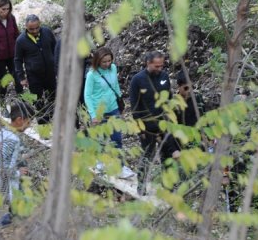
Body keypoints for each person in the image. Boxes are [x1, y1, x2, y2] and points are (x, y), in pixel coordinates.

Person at [83, 47, 135, 179]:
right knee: (101, 138)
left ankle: (120, 167)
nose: (107, 64)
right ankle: (100, 161)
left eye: (109, 61)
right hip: (99, 112)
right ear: (97, 61)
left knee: (116, 139)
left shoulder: (113, 68)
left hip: (113, 108)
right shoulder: (91, 75)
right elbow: (87, 96)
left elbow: (116, 85)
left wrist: (120, 102)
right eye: (104, 62)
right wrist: (93, 115)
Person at [129, 51, 172, 193]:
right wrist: (139, 129)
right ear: (148, 63)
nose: (159, 69)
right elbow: (134, 106)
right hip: (146, 127)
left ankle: (168, 187)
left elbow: (169, 99)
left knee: (167, 156)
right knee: (147, 156)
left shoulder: (165, 77)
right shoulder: (137, 80)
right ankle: (141, 186)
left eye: (161, 66)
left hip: (163, 124)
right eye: (156, 66)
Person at [0, 101, 32, 227]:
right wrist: (17, 173)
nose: (29, 126)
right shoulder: (11, 139)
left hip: (10, 183)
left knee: (18, 212)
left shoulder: (6, 132)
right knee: (15, 214)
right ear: (20, 120)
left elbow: (8, 157)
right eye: (28, 122)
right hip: (7, 184)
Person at [14, 14, 58, 124]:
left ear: (40, 25)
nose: (34, 31)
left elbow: (56, 49)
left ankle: (50, 117)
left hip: (50, 73)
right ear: (25, 27)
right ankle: (43, 124)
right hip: (34, 76)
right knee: (38, 101)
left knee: (53, 97)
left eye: (37, 28)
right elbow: (18, 60)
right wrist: (21, 77)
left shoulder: (47, 32)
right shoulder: (20, 40)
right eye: (31, 29)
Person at [160, 71, 204, 163]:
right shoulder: (172, 105)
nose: (189, 90)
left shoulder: (198, 100)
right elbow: (168, 130)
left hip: (195, 143)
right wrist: (174, 150)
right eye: (186, 88)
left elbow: (204, 119)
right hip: (178, 144)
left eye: (191, 87)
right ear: (179, 87)